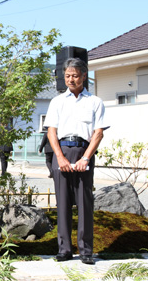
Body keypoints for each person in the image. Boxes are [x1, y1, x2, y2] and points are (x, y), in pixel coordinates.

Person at [44, 58, 109, 265]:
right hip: (61, 150)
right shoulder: (57, 101)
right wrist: (60, 157)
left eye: (75, 75)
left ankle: (86, 250)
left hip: (84, 150)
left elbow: (98, 134)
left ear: (83, 76)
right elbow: (51, 132)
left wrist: (86, 158)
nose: (71, 79)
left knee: (84, 202)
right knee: (62, 203)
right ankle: (64, 249)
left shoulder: (95, 102)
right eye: (67, 76)